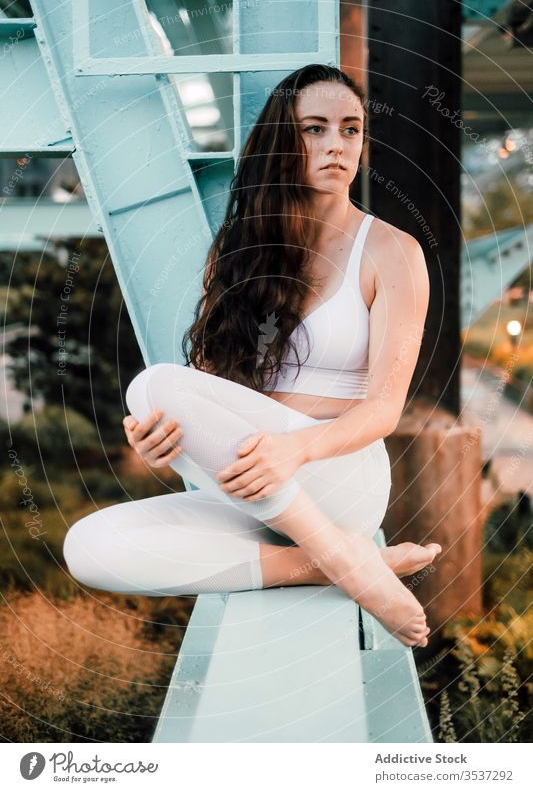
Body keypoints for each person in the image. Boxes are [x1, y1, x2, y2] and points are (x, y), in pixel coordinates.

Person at [63, 64, 441, 648]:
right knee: (87, 548)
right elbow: (214, 392)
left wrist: (297, 449)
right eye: (314, 128)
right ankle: (344, 563)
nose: (336, 145)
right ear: (279, 140)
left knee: (152, 384)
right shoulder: (237, 252)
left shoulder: (392, 250)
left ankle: (344, 550)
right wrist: (158, 439)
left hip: (335, 477)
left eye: (351, 129)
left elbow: (384, 409)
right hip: (258, 490)